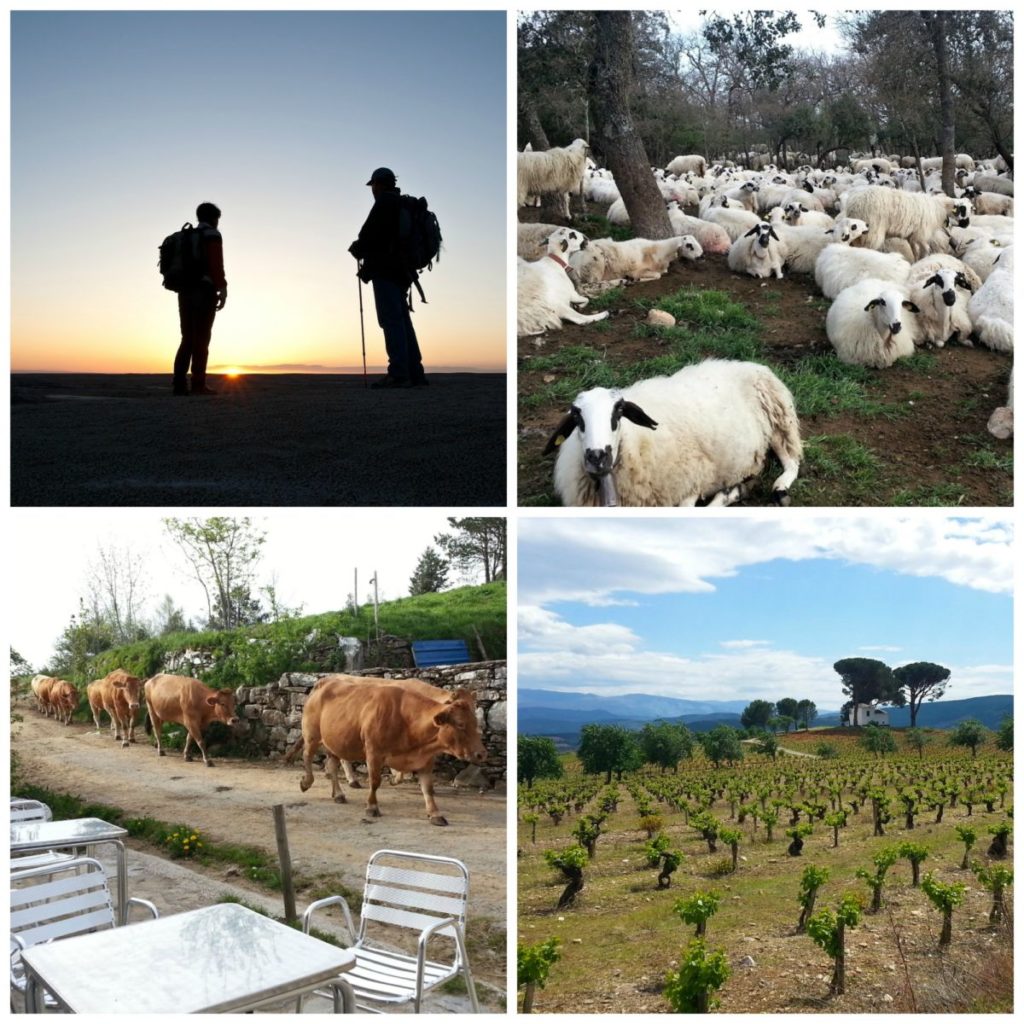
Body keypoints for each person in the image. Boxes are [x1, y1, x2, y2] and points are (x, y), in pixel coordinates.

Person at [348, 168, 427, 389]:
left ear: (379, 184)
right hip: (403, 272)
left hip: (387, 270)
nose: (372, 190)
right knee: (402, 320)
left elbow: (368, 235)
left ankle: (399, 374)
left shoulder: (385, 203)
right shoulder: (401, 204)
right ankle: (415, 373)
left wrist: (357, 248)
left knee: (391, 320)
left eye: (373, 185)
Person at [173, 202, 228, 396]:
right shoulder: (212, 235)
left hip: (184, 291)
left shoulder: (188, 236)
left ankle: (179, 385)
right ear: (214, 218)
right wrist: (223, 288)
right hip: (204, 290)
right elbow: (216, 263)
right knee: (202, 338)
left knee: (187, 337)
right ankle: (198, 384)